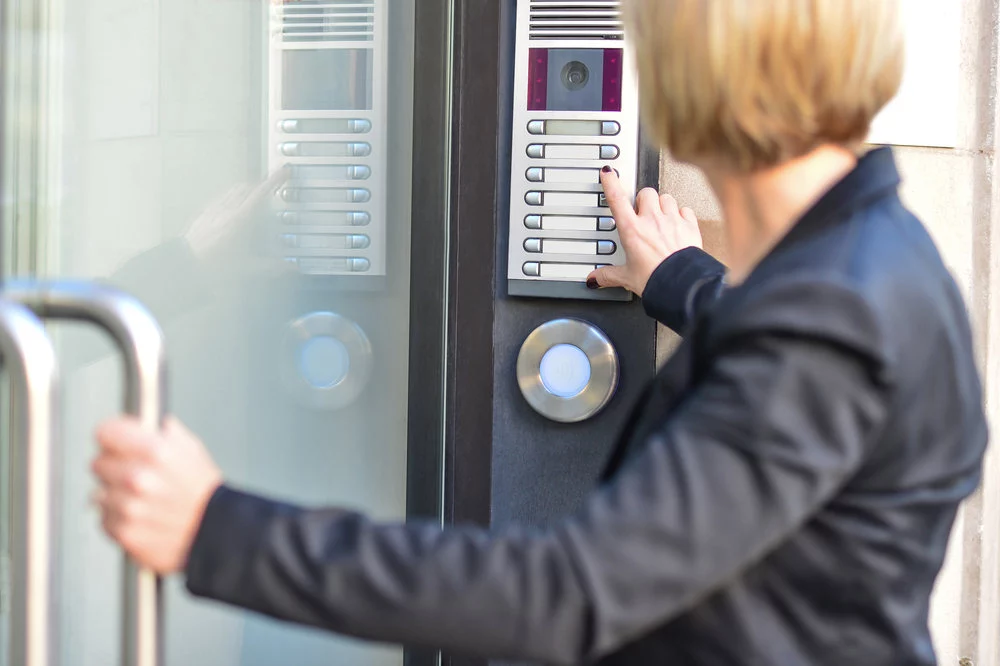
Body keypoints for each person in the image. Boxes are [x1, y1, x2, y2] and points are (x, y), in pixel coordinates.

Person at [90, 0, 989, 664]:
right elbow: (797, 413)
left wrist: (218, 529)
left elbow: (568, 595)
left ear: (686, 83)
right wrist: (681, 282)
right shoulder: (873, 261)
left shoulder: (824, 317)